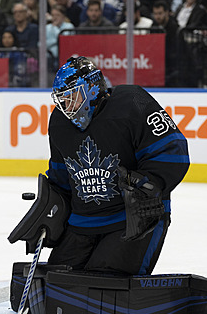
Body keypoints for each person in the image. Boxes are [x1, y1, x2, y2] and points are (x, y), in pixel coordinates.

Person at [44, 56, 189, 274]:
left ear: (92, 89)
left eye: (72, 97)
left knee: (104, 288)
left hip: (131, 219)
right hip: (82, 223)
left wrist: (146, 186)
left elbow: (172, 152)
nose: (66, 106)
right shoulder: (59, 122)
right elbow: (61, 175)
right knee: (54, 287)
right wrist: (49, 209)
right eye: (62, 100)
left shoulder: (133, 102)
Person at [152, 0, 180, 87]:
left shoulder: (174, 27)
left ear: (167, 13)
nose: (157, 17)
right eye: (155, 14)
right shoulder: (154, 26)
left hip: (172, 64)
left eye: (160, 13)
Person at [46, 4, 74, 69]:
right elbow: (41, 44)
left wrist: (55, 27)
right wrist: (55, 42)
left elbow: (64, 42)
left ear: (63, 17)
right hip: (49, 58)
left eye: (57, 15)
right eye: (53, 15)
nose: (55, 18)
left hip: (65, 57)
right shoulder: (47, 28)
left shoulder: (69, 26)